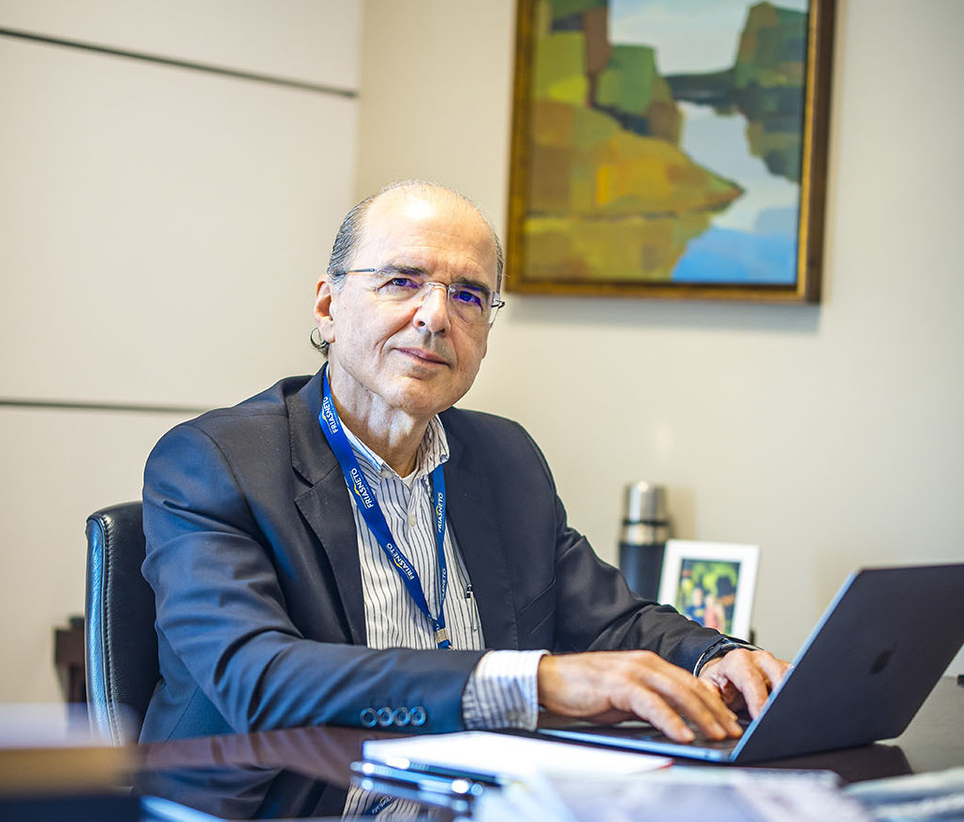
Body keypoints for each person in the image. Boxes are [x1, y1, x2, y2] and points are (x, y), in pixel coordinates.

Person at [140, 181, 787, 744]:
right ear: (328, 306)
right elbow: (257, 677)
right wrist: (536, 682)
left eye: (469, 295)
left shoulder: (504, 459)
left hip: (467, 810)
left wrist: (715, 657)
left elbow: (611, 621)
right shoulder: (214, 462)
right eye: (401, 281)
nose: (435, 317)